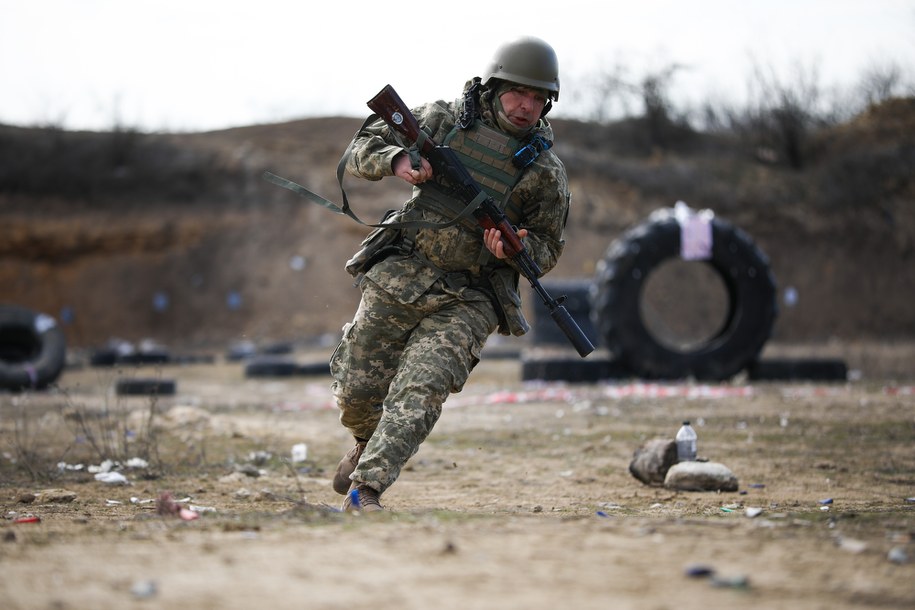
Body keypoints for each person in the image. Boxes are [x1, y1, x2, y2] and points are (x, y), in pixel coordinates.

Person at [330, 36, 571, 512]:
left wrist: (515, 249)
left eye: (538, 97)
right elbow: (360, 148)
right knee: (357, 390)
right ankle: (364, 443)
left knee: (422, 387)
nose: (526, 106)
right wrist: (397, 161)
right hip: (403, 270)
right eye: (517, 92)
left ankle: (366, 490)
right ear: (495, 86)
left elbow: (548, 247)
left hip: (472, 296)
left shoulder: (545, 172)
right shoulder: (441, 120)